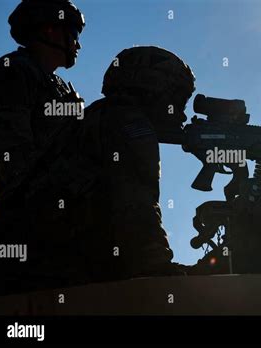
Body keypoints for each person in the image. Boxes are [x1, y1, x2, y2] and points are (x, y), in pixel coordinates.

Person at [71, 46, 195, 282]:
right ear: (154, 88)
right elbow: (136, 204)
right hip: (67, 271)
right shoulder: (130, 123)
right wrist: (155, 267)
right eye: (178, 100)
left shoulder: (91, 117)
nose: (181, 116)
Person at [0, 0, 85, 295]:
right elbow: (9, 160)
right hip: (24, 229)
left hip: (62, 224)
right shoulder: (11, 73)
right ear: (50, 31)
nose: (78, 45)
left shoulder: (63, 90)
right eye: (73, 33)